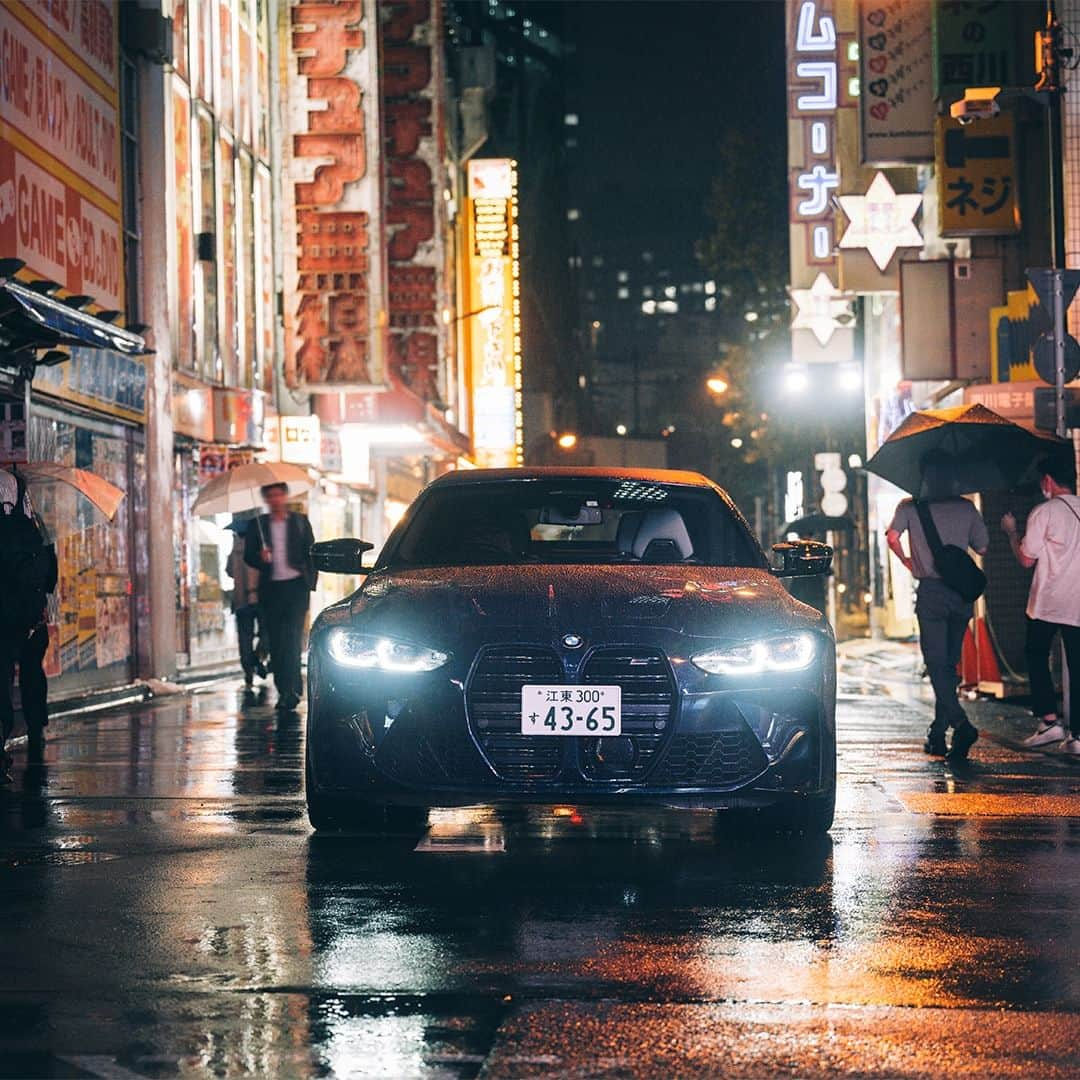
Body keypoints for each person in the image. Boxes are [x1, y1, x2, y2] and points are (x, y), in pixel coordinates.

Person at [886, 454, 988, 759]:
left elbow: (892, 537)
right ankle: (937, 733)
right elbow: (982, 547)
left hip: (931, 591)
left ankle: (960, 724)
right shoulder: (966, 506)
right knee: (949, 665)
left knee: (936, 664)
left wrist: (908, 560)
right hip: (961, 594)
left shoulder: (909, 506)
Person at [1001, 455, 1080, 754]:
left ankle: (1049, 721)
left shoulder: (1044, 512)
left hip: (1047, 601)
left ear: (1047, 480)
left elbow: (1025, 559)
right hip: (1078, 601)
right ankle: (1078, 737)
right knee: (1078, 663)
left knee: (1036, 654)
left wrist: (1011, 532)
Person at [0, 470, 58, 782]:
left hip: (11, 611)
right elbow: (49, 571)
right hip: (25, 612)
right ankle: (34, 727)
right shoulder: (34, 524)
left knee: (4, 675)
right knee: (26, 671)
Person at [244, 483, 316, 712]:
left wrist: (309, 583)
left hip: (296, 588)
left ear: (286, 496)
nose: (275, 499)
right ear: (266, 498)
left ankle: (293, 689)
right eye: (271, 495)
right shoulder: (258, 525)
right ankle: (284, 689)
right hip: (272, 589)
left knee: (292, 639)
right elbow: (248, 556)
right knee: (276, 641)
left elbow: (311, 553)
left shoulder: (300, 522)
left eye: (279, 494)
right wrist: (260, 556)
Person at [226, 519, 266, 689]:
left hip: (241, 600)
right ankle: (258, 657)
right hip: (260, 598)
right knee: (266, 634)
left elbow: (228, 572)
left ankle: (248, 669)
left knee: (245, 638)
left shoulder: (234, 551)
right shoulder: (258, 548)